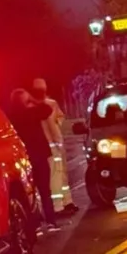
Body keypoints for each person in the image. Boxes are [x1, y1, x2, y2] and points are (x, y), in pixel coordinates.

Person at [9, 88, 60, 230]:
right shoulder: (31, 113)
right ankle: (51, 221)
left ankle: (34, 224)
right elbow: (47, 109)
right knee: (45, 191)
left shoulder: (12, 117)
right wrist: (34, 100)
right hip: (39, 157)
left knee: (29, 194)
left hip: (24, 159)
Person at [30, 78, 78, 215]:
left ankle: (66, 202)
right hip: (53, 146)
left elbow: (59, 119)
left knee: (60, 175)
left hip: (53, 145)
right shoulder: (48, 105)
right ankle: (59, 206)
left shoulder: (41, 105)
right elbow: (58, 121)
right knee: (57, 176)